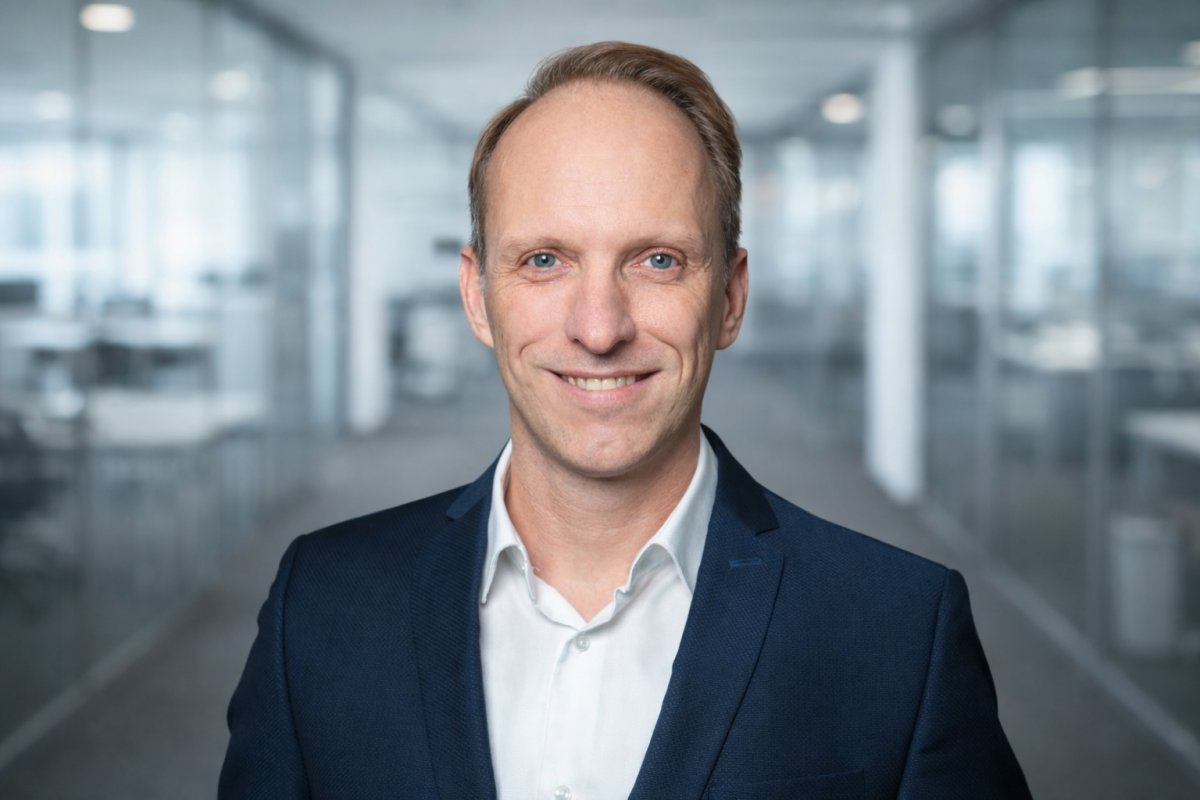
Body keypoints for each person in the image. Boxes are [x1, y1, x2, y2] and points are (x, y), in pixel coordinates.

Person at [219, 41, 1031, 800]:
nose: (600, 328)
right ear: (477, 295)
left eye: (657, 261)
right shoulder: (320, 602)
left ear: (730, 298)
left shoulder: (899, 630)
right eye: (545, 260)